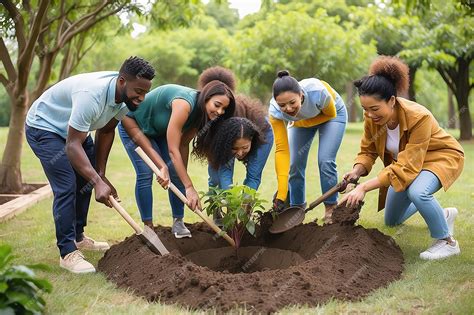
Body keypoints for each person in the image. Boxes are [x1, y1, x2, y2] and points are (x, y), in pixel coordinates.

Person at [25, 56, 155, 273]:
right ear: (122, 81)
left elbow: (105, 130)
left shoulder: (125, 100)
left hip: (75, 132)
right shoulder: (91, 95)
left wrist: (100, 174)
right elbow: (72, 145)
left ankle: (77, 237)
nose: (141, 98)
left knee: (87, 178)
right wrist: (96, 181)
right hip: (45, 127)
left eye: (145, 92)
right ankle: (67, 253)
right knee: (66, 185)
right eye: (138, 91)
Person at [339, 56, 464, 260]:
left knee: (418, 192)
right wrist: (357, 171)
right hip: (410, 163)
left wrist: (364, 187)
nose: (370, 115)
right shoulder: (372, 118)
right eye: (365, 109)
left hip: (440, 156)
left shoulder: (418, 117)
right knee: (392, 220)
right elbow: (368, 151)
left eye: (374, 109)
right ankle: (444, 215)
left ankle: (447, 242)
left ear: (392, 101)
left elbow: (406, 166)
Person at [118, 66, 236, 238]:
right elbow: (173, 150)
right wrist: (188, 186)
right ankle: (148, 228)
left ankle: (178, 222)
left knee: (176, 171)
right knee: (145, 173)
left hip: (160, 132)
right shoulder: (184, 104)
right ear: (206, 97)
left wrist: (183, 178)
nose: (219, 112)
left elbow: (181, 146)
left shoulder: (201, 116)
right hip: (134, 123)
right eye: (217, 105)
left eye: (224, 109)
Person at [269, 70, 347, 223]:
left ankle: (331, 208)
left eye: (292, 102)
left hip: (332, 116)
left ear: (301, 94)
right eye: (282, 105)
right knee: (294, 163)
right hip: (301, 123)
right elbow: (282, 150)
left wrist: (299, 122)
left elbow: (329, 114)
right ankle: (296, 209)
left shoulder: (317, 91)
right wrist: (281, 194)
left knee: (325, 160)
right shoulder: (274, 111)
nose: (289, 109)